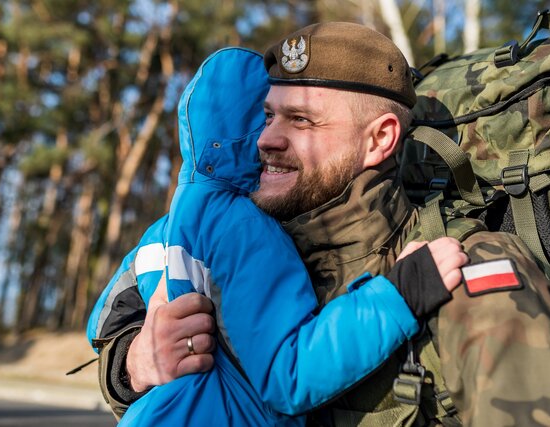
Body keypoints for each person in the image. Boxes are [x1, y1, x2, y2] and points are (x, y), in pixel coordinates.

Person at [88, 23, 550, 427]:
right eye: (266, 117)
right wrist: (133, 365)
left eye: (302, 120)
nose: (267, 139)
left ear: (379, 140)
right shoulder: (225, 234)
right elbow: (120, 323)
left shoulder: (454, 270)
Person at [91, 46, 466, 426]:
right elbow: (287, 376)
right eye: (271, 116)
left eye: (300, 119)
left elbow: (102, 320)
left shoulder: (173, 222)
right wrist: (399, 294)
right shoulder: (242, 227)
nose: (275, 137)